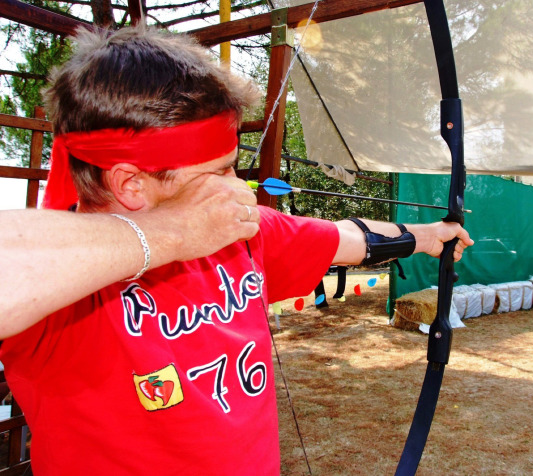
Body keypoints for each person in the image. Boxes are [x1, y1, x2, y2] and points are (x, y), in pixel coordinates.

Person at [0, 26, 472, 475]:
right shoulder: (57, 282)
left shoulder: (237, 234)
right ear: (131, 183)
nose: (239, 191)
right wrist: (174, 232)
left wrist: (427, 236)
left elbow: (346, 239)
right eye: (219, 173)